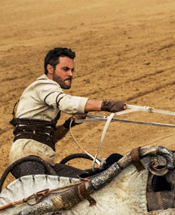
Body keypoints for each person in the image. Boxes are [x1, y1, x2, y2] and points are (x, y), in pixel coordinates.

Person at [8, 47, 127, 178]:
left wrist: (67, 125)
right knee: (44, 190)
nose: (70, 74)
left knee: (89, 182)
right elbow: (66, 103)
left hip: (45, 162)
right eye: (65, 69)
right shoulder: (43, 86)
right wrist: (107, 105)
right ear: (50, 69)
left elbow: (48, 137)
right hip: (27, 159)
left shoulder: (49, 93)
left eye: (72, 70)